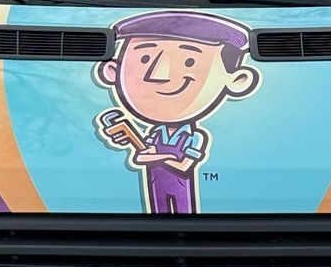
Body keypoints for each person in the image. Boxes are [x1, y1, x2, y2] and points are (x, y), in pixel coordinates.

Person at [95, 11, 261, 214]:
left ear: (237, 80)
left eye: (189, 62)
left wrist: (156, 156)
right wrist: (130, 138)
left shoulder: (195, 137)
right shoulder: (157, 133)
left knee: (185, 210)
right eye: (145, 58)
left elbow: (184, 166)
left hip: (181, 187)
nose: (159, 74)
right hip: (155, 185)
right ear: (113, 71)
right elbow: (140, 157)